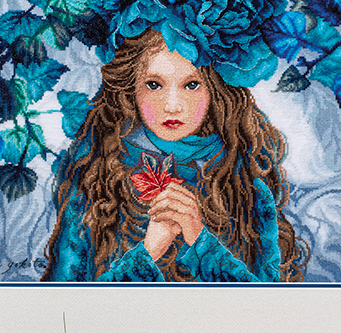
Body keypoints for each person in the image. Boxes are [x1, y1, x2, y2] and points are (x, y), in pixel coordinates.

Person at [41, 29, 309, 283]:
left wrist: (199, 239)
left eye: (191, 85)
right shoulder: (96, 176)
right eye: (154, 85)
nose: (172, 105)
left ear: (216, 91)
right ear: (131, 89)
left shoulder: (247, 182)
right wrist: (148, 253)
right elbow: (65, 304)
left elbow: (265, 305)